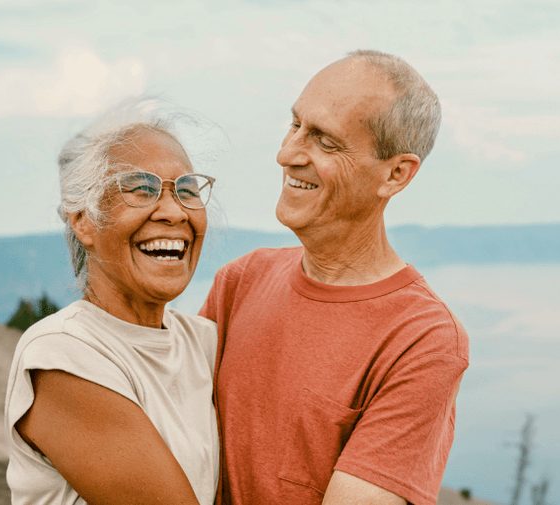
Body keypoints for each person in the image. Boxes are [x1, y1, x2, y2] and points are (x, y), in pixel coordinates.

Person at [200, 50, 470, 505]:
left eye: (325, 141)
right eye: (295, 125)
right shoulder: (241, 281)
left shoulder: (423, 340)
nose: (286, 154)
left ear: (396, 174)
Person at [4, 106, 220, 505]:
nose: (174, 212)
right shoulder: (63, 353)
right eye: (141, 189)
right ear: (84, 220)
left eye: (187, 190)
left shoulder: (203, 343)